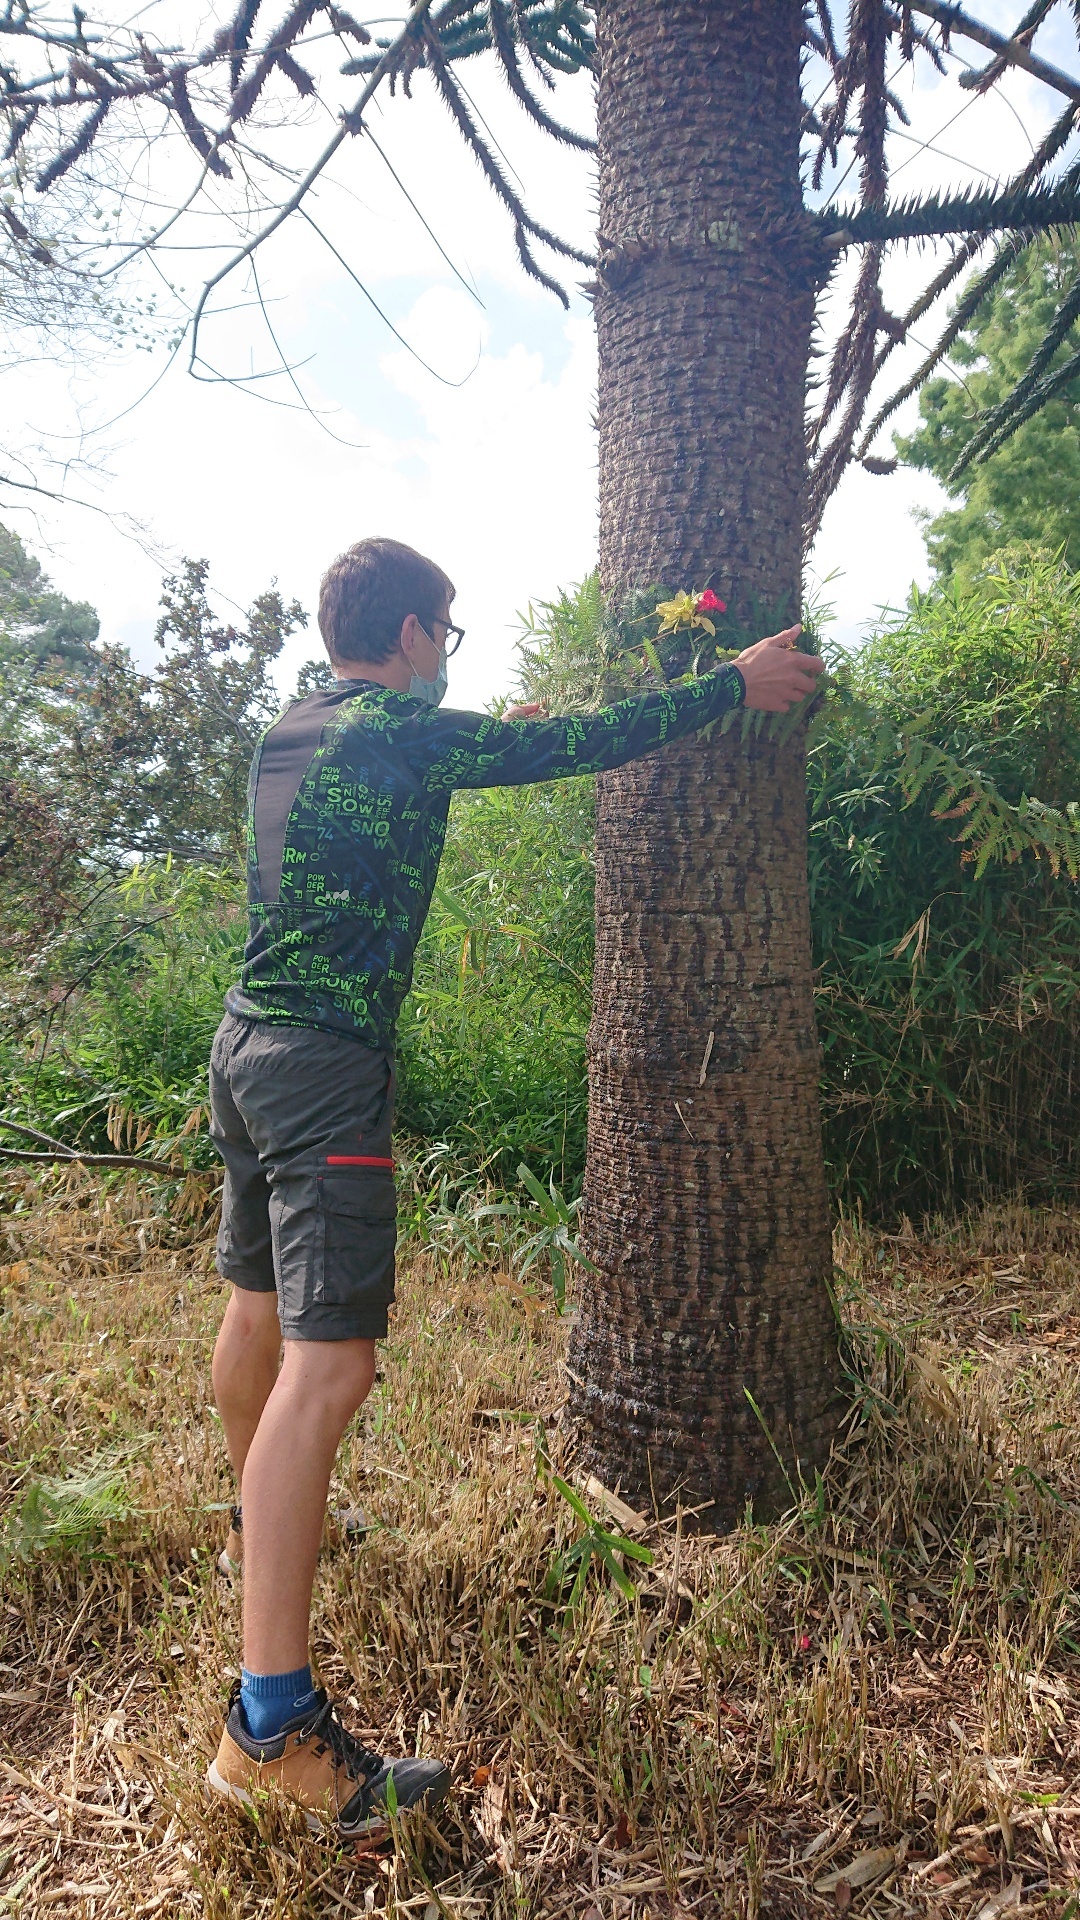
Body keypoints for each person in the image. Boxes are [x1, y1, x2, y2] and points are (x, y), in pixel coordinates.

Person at [204, 535, 825, 1839]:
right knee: (338, 1368)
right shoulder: (411, 736)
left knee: (254, 1313)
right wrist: (734, 681)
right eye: (454, 635)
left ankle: (261, 1523)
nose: (453, 656)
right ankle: (270, 1728)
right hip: (324, 1072)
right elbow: (586, 745)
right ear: (419, 635)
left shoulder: (297, 727)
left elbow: (440, 761)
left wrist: (481, 724)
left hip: (245, 1048)